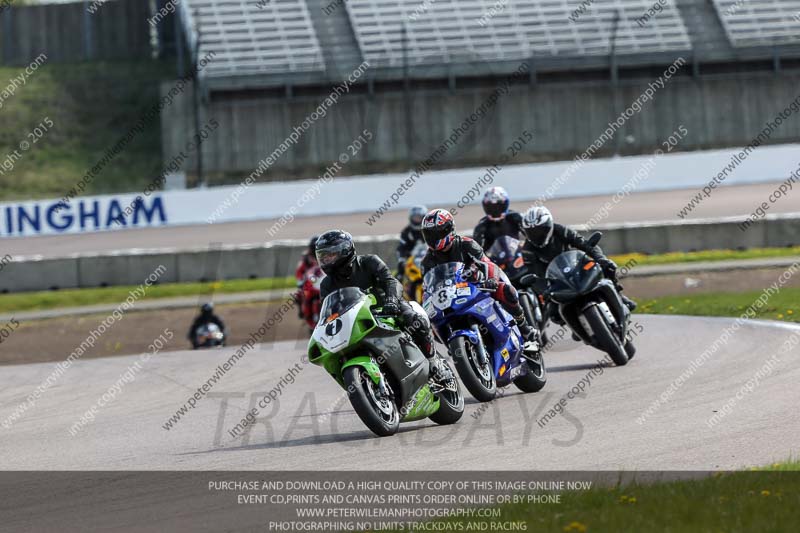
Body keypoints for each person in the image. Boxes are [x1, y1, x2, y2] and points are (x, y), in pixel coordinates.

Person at [315, 230, 451, 383]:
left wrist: (391, 300)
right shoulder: (327, 284)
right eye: (323, 256)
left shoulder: (369, 262)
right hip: (358, 321)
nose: (326, 260)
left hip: (387, 309)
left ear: (345, 250)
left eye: (330, 255)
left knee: (414, 319)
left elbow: (390, 281)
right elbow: (328, 311)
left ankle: (434, 362)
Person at [419, 209, 540, 351]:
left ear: (449, 229)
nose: (432, 238)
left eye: (436, 233)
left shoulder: (466, 244)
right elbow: (427, 288)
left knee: (506, 290)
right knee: (431, 323)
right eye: (428, 234)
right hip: (450, 297)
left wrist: (490, 280)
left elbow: (486, 263)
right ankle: (456, 347)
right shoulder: (427, 261)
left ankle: (525, 329)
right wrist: (425, 305)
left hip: (477, 287)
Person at [519, 206, 637, 315]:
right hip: (555, 280)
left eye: (540, 230)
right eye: (532, 232)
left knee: (608, 267)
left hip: (576, 266)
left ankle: (620, 296)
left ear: (549, 226)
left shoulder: (561, 231)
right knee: (554, 313)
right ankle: (576, 322)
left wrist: (601, 258)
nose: (536, 235)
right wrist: (544, 290)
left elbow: (585, 245)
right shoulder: (528, 250)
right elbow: (534, 275)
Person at [473, 186, 524, 251]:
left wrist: (523, 246)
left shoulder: (515, 218)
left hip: (516, 256)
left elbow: (530, 238)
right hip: (493, 260)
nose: (495, 210)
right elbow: (476, 251)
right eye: (491, 207)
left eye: (498, 206)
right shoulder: (482, 226)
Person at [396, 205, 427, 278]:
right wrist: (402, 259)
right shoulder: (406, 232)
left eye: (419, 217)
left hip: (429, 257)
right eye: (415, 217)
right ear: (411, 218)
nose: (417, 220)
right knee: (399, 275)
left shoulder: (430, 229)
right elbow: (401, 247)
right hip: (412, 260)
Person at [294, 236, 319, 318]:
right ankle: (301, 311)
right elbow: (299, 271)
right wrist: (300, 281)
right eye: (313, 247)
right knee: (298, 295)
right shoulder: (305, 258)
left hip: (321, 282)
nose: (315, 249)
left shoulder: (324, 255)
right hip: (309, 283)